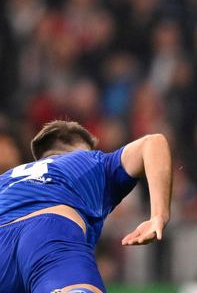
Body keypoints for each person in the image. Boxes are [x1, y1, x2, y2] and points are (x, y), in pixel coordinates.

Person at [0, 120, 172, 293]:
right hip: (49, 232)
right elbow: (153, 143)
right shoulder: (92, 160)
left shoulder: (6, 179)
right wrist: (159, 215)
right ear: (82, 150)